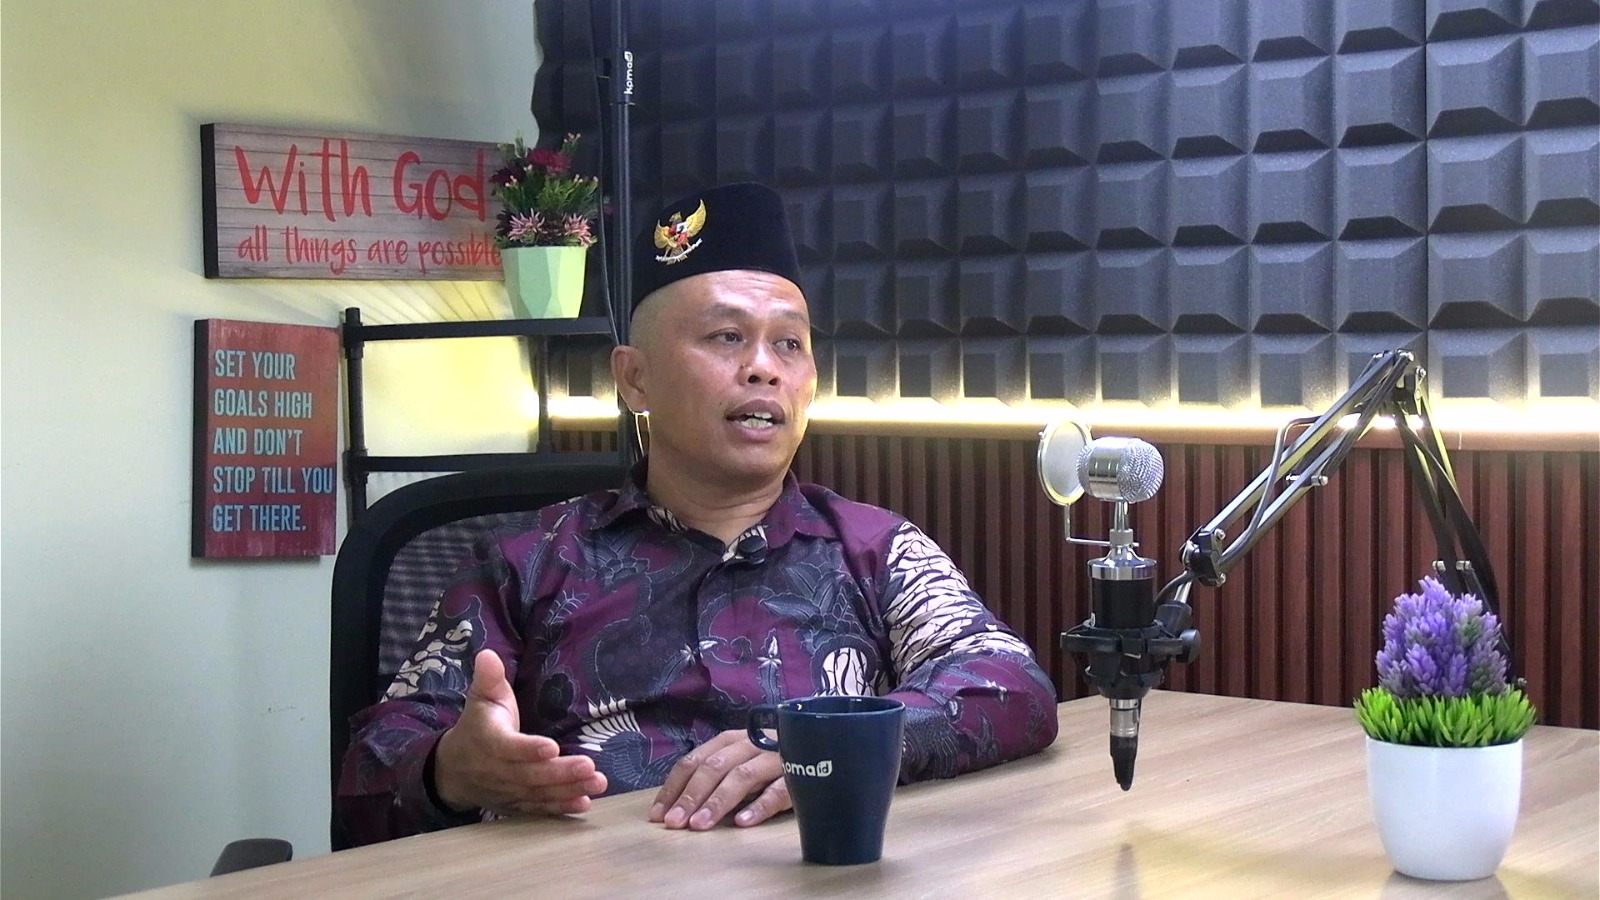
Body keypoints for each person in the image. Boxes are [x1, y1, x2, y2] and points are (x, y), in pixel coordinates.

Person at [337, 182, 1059, 846]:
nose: (764, 368)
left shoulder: (875, 549)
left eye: (789, 343)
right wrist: (452, 770)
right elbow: (372, 767)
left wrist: (829, 741)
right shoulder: (529, 562)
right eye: (726, 337)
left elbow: (1011, 685)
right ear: (635, 379)